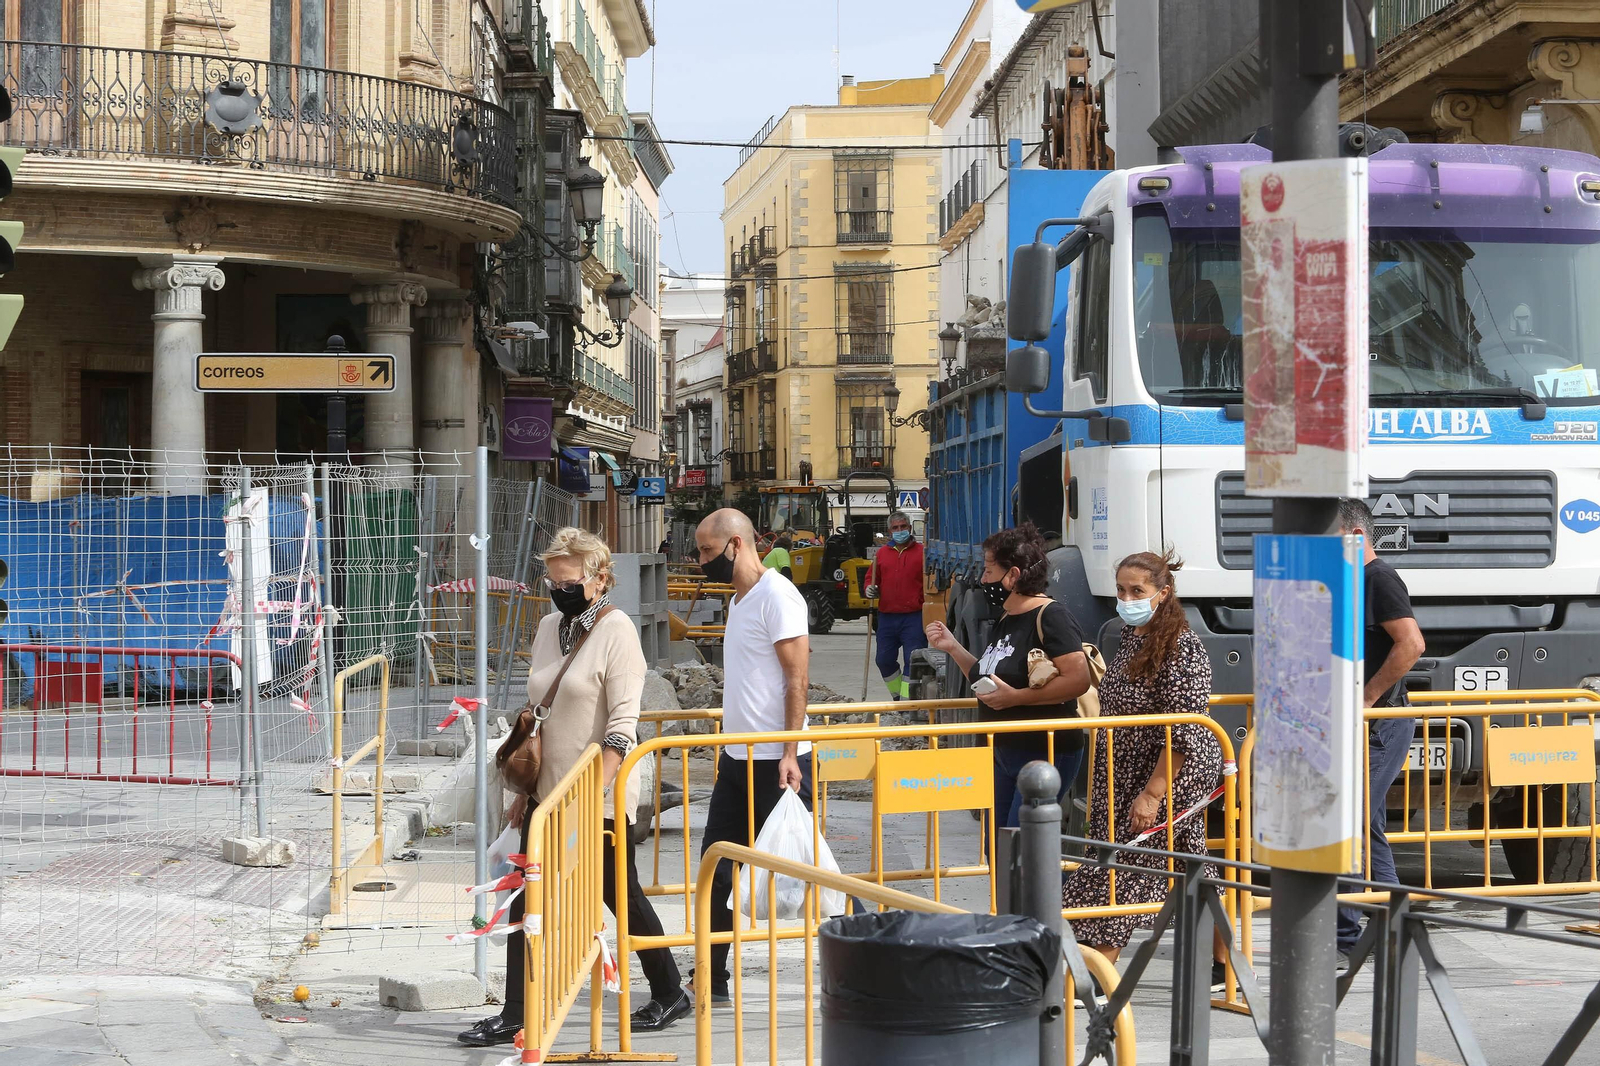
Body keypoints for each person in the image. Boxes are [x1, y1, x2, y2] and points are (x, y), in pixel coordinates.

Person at [458, 529, 687, 1047]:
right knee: (524, 897)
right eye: (551, 580)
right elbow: (540, 714)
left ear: (600, 578)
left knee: (619, 896)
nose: (557, 590)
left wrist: (587, 800)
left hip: (595, 798)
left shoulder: (618, 631)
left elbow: (622, 728)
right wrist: (526, 790)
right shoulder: (547, 627)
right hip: (546, 794)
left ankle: (670, 990)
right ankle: (517, 1013)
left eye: (568, 581)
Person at [1061, 550, 1228, 990]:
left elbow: (1182, 733)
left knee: (1121, 866)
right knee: (1190, 866)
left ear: (1163, 594)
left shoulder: (1182, 648)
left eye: (1137, 590)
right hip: (1127, 767)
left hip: (1169, 772)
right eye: (1121, 589)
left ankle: (1100, 975)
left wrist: (1152, 795)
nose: (1126, 597)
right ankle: (1226, 965)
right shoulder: (1134, 635)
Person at [692, 508, 813, 1005]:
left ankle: (840, 967)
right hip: (737, 761)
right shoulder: (739, 600)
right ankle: (711, 977)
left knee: (802, 873)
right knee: (714, 871)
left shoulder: (777, 595)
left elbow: (797, 679)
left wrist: (789, 752)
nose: (700, 561)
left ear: (736, 544)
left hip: (778, 762)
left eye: (705, 551)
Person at [925, 524, 1091, 829]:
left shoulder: (1051, 616)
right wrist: (952, 647)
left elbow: (1078, 680)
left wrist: (1016, 698)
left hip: (1043, 752)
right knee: (997, 847)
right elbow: (986, 674)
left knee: (1024, 848)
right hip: (1001, 750)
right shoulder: (1007, 615)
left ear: (1012, 576)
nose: (983, 580)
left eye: (989, 571)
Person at [1335, 497, 1425, 965]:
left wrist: (1367, 697)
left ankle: (1353, 935)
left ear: (1354, 537)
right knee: (1361, 824)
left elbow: (1410, 644)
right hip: (1363, 721)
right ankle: (1391, 927)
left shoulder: (1378, 578)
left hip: (1379, 721)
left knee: (1353, 824)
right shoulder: (1351, 581)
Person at [866, 510, 926, 701]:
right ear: (889, 531)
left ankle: (908, 702)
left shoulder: (923, 552)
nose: (900, 531)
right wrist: (869, 588)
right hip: (887, 617)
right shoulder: (882, 554)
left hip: (914, 617)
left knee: (913, 660)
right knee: (883, 660)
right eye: (895, 528)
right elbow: (871, 578)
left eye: (903, 527)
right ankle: (898, 696)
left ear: (909, 528)